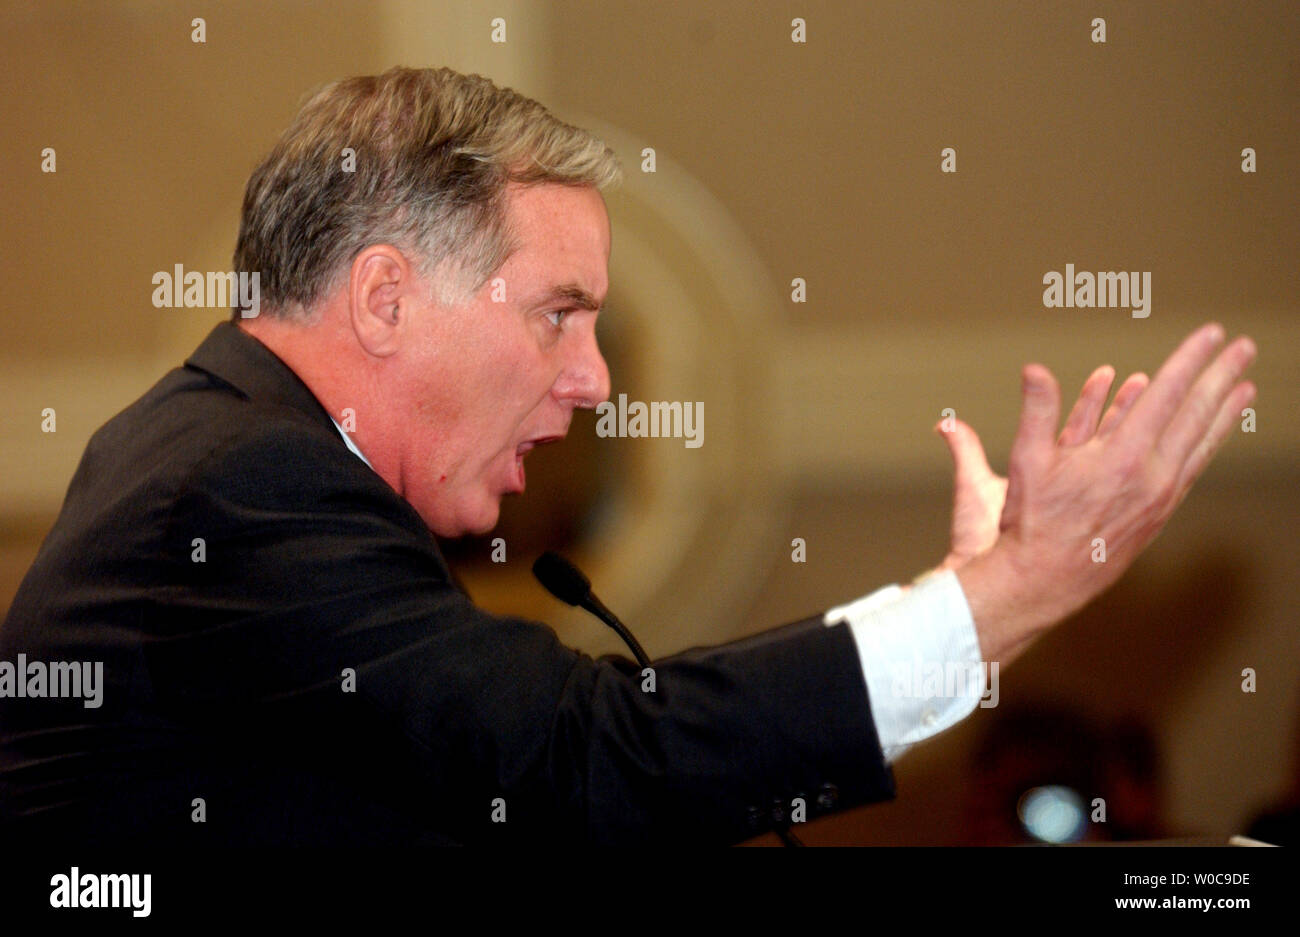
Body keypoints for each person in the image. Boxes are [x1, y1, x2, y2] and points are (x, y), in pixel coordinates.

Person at [0, 67, 1257, 846]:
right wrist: (1006, 593)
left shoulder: (227, 452)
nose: (595, 381)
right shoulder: (243, 481)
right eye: (560, 311)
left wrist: (987, 615)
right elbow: (582, 765)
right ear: (387, 300)